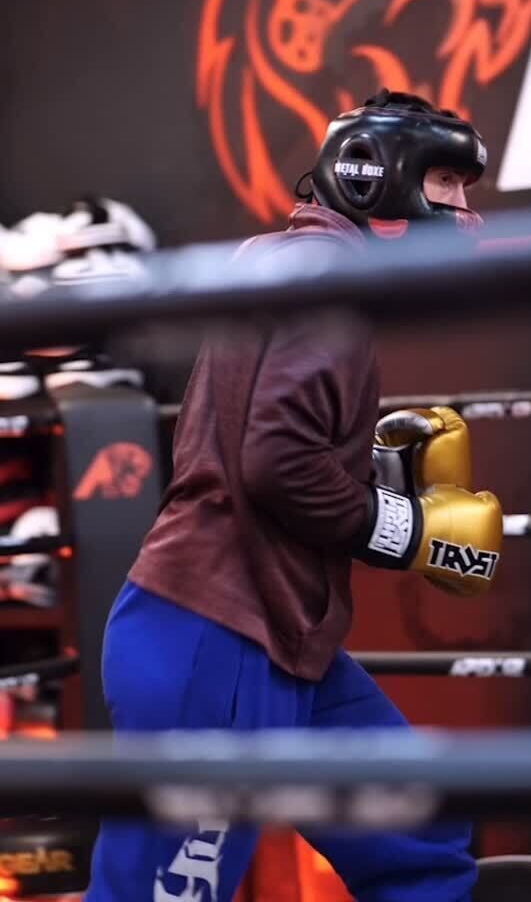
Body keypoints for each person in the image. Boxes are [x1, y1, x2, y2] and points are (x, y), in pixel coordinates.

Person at [85, 89, 502, 902]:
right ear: (383, 177)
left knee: (420, 832)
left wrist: (373, 471)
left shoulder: (282, 260)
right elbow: (276, 465)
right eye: (448, 183)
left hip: (278, 637)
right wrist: (407, 528)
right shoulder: (325, 283)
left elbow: (257, 437)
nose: (463, 210)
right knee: (168, 893)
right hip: (219, 637)